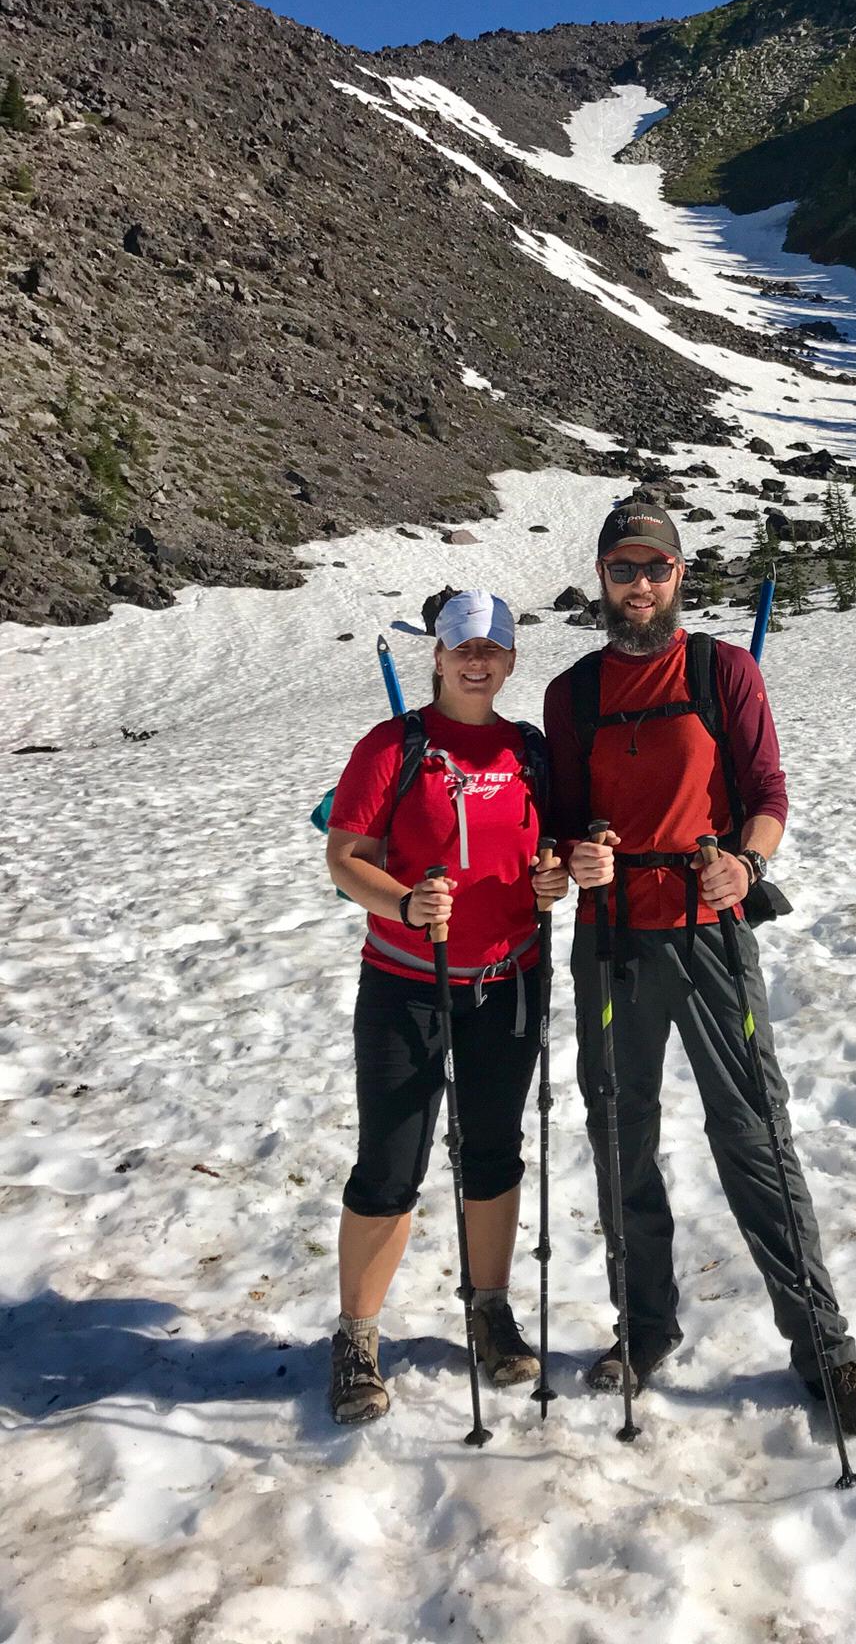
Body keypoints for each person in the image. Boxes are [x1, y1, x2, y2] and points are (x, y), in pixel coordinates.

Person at [542, 502, 856, 1436]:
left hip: (710, 929)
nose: (640, 585)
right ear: (603, 577)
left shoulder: (720, 670)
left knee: (754, 1137)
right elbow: (563, 819)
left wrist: (751, 860)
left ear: (679, 574)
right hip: (611, 939)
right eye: (624, 570)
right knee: (622, 1137)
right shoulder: (570, 695)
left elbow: (768, 792)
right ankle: (646, 1327)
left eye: (654, 569)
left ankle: (825, 1347)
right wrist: (575, 853)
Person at [323, 589, 553, 1426]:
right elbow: (345, 860)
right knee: (389, 1163)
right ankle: (357, 1336)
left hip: (507, 982)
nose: (477, 660)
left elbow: (549, 847)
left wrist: (551, 878)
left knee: (493, 1153)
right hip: (406, 985)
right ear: (437, 654)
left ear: (511, 660)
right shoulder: (395, 745)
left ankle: (488, 1308)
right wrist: (404, 905)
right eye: (462, 646)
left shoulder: (528, 750)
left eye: (492, 647)